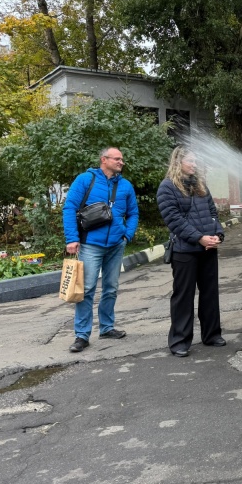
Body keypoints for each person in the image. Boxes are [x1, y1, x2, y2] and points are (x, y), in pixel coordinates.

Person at [63, 147, 139, 353]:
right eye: (117, 159)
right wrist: (72, 238)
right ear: (103, 160)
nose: (121, 162)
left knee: (111, 288)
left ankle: (106, 328)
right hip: (90, 244)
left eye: (122, 159)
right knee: (86, 290)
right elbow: (69, 207)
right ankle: (82, 335)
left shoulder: (125, 185)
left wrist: (127, 235)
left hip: (116, 244)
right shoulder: (85, 180)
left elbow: (133, 213)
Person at [157, 147, 226, 357]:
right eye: (191, 161)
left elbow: (212, 213)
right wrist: (199, 237)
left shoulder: (200, 185)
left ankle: (212, 335)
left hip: (207, 249)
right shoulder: (167, 187)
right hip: (184, 250)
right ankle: (179, 341)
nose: (195, 165)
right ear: (178, 162)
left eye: (196, 161)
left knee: (210, 293)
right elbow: (174, 220)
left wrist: (217, 235)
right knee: (183, 296)